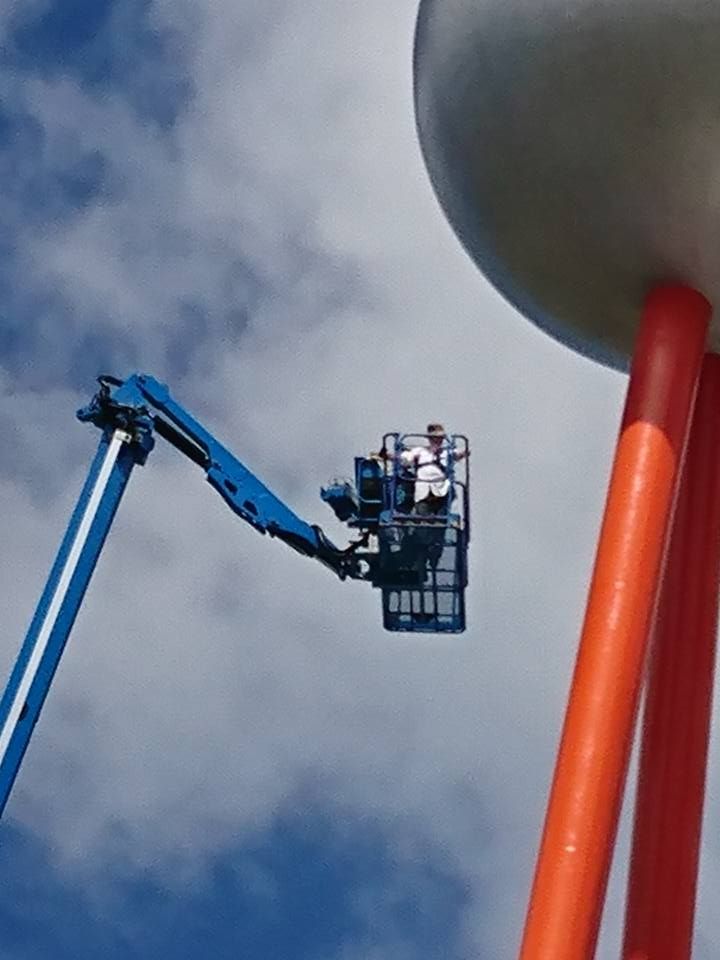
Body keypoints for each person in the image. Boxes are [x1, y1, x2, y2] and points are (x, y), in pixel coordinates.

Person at [400, 423, 467, 517]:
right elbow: (405, 458)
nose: (438, 440)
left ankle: (441, 515)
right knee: (422, 510)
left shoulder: (447, 451)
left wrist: (463, 453)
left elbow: (458, 455)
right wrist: (391, 456)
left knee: (445, 503)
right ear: (429, 438)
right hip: (423, 486)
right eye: (435, 437)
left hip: (441, 487)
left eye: (440, 438)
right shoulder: (420, 451)